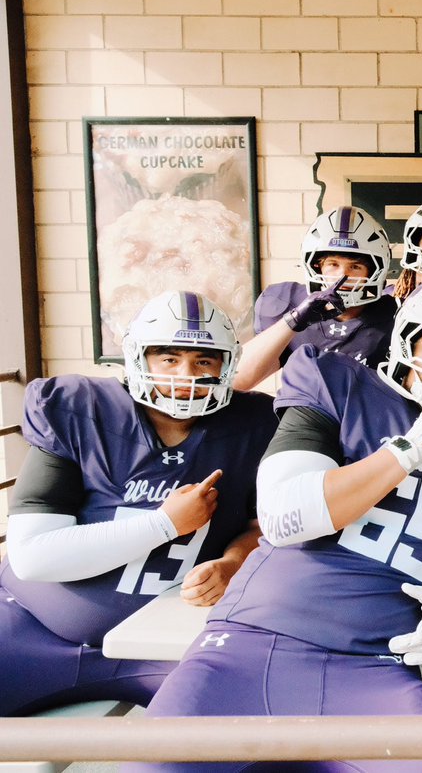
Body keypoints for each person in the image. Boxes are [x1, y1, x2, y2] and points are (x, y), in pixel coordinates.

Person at [128, 273, 422, 773]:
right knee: (156, 766)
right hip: (253, 642)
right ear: (407, 339)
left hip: (375, 665)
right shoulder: (336, 381)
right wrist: (410, 450)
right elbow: (283, 516)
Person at [1, 291, 275, 716]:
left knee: (244, 725)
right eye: (168, 358)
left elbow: (263, 525)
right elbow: (33, 556)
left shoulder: (256, 423)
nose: (186, 375)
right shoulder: (79, 409)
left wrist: (233, 563)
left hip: (167, 646)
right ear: (138, 358)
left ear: (227, 364)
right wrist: (162, 524)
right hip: (32, 629)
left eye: (204, 361)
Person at [233, 205, 395, 391]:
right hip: (304, 411)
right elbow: (238, 381)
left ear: (374, 271)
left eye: (355, 267)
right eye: (333, 264)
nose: (343, 277)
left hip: (367, 414)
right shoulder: (286, 302)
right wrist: (293, 321)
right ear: (316, 267)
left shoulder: (394, 312)